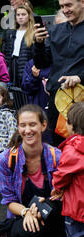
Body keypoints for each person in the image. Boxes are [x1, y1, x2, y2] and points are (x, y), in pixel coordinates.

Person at [0, 104, 67, 237]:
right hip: (22, 219)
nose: (27, 130)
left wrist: (50, 203)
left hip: (52, 216)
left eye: (32, 124)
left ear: (43, 125)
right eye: (23, 125)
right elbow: (9, 200)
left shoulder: (57, 157)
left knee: (58, 213)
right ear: (18, 127)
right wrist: (27, 211)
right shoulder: (5, 160)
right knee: (27, 230)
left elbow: (67, 194)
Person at [33, 0, 84, 147]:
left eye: (69, 5)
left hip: (81, 99)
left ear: (82, 2)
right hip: (57, 100)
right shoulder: (56, 30)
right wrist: (39, 43)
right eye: (62, 6)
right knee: (60, 146)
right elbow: (42, 63)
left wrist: (79, 77)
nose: (65, 10)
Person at [50, 102, 84, 237]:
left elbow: (62, 175)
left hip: (77, 207)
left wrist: (56, 187)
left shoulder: (72, 150)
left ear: (71, 126)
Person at [1, 4, 36, 88]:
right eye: (18, 15)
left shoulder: (33, 33)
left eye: (23, 14)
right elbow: (6, 53)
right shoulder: (11, 32)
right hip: (13, 64)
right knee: (12, 90)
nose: (20, 17)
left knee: (24, 89)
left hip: (26, 64)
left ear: (29, 16)